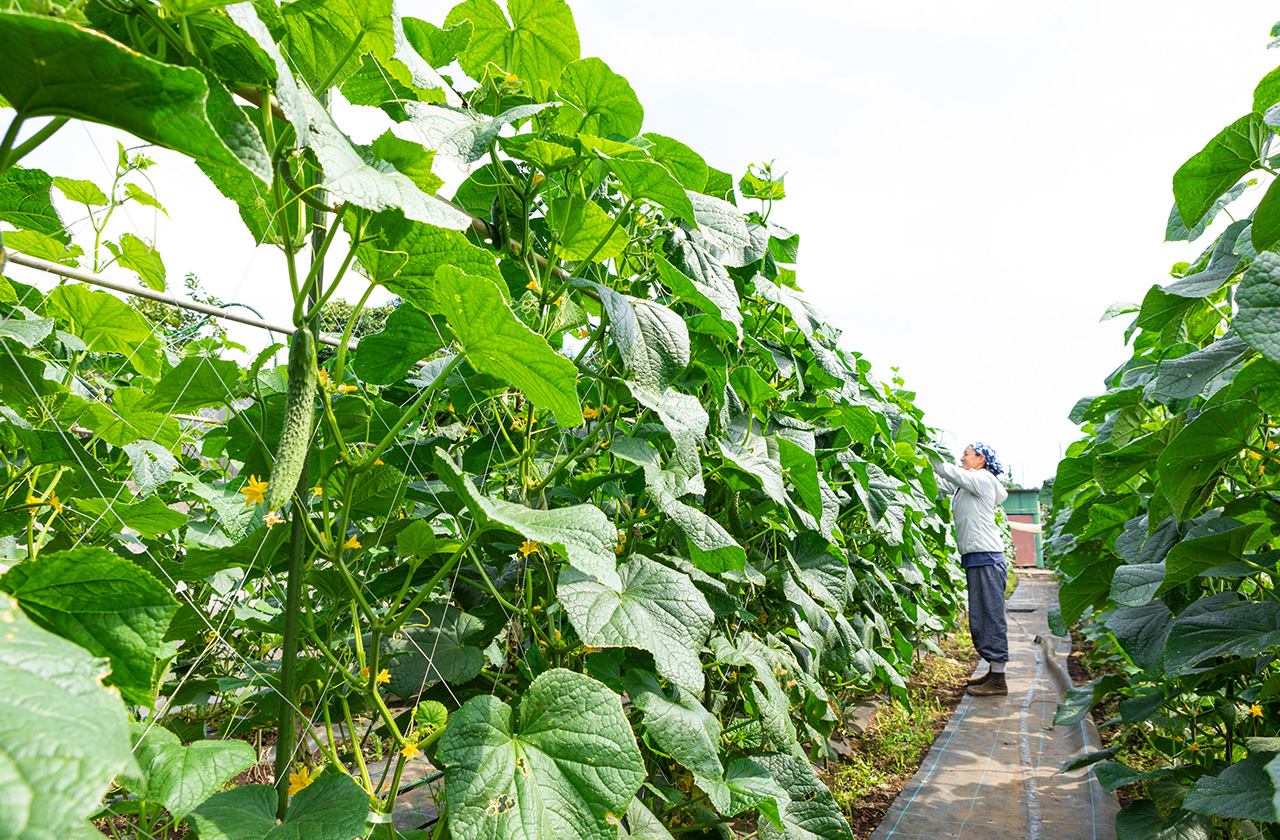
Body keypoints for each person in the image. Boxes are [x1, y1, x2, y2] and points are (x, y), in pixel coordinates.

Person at [926, 442, 1010, 696]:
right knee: (981, 617)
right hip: (977, 557)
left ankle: (998, 681)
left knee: (990, 618)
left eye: (966, 454)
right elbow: (938, 486)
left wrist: (927, 451)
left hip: (986, 557)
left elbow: (949, 472)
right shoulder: (969, 485)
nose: (962, 458)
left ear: (981, 459)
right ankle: (994, 673)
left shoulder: (982, 479)